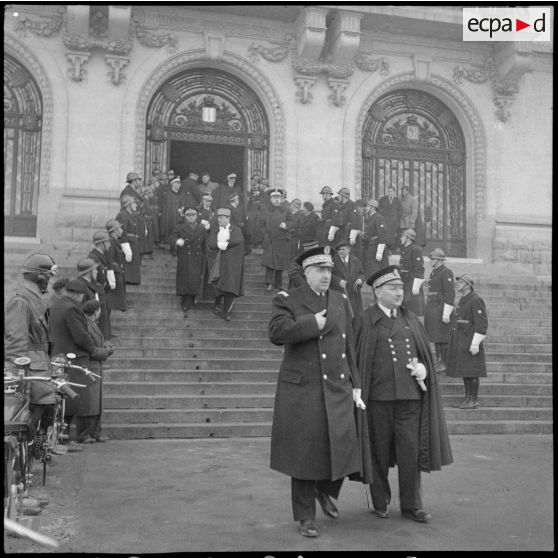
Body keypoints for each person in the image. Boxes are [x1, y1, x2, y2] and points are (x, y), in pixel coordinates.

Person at [268, 245, 366, 538]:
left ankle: (324, 490)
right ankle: (305, 517)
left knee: (343, 442)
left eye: (329, 271)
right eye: (321, 271)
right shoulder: (288, 299)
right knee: (303, 452)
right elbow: (276, 332)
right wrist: (312, 323)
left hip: (337, 384)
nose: (327, 276)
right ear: (307, 273)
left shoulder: (339, 299)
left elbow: (349, 346)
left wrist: (356, 384)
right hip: (303, 388)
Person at [353, 265, 453, 523]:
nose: (399, 293)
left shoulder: (410, 319)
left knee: (410, 452)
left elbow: (423, 354)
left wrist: (423, 368)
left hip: (409, 397)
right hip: (377, 398)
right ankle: (380, 500)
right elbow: (355, 357)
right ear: (377, 291)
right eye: (393, 288)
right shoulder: (364, 319)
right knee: (378, 453)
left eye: (400, 288)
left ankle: (412, 505)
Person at [4, 253, 62, 445]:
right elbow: (15, 344)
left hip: (40, 368)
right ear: (41, 278)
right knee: (25, 425)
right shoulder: (21, 302)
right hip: (30, 373)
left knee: (43, 415)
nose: (52, 283)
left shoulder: (33, 300)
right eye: (50, 277)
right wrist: (19, 374)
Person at [49, 279, 111, 444]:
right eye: (82, 295)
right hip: (73, 358)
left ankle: (64, 438)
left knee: (64, 398)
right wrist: (93, 350)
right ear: (77, 294)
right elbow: (80, 335)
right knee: (74, 398)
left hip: (58, 356)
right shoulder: (72, 308)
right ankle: (67, 439)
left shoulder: (56, 305)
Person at [446, 273, 488, 409]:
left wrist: (475, 343)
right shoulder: (464, 299)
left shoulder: (476, 299)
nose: (457, 284)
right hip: (461, 339)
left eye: (460, 282)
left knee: (472, 371)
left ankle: (473, 400)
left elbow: (481, 323)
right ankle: (467, 399)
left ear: (467, 285)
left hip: (470, 339)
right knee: (466, 370)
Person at [75, 299, 113, 444]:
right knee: (88, 402)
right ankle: (84, 434)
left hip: (96, 366)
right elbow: (90, 348)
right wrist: (106, 352)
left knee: (96, 402)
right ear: (96, 311)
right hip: (90, 367)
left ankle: (95, 432)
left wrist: (105, 350)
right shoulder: (86, 326)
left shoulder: (92, 325)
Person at [206, 207, 245, 321]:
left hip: (232, 264)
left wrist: (226, 245)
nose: (220, 220)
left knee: (230, 287)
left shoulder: (236, 230)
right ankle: (217, 304)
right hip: (219, 263)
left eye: (222, 218)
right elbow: (212, 243)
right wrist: (220, 245)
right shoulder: (215, 230)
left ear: (228, 218)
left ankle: (226, 311)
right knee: (219, 285)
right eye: (218, 217)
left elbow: (238, 241)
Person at [168, 206, 208, 313]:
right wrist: (177, 241)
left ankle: (192, 297)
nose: (191, 217)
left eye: (193, 215)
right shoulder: (180, 227)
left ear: (197, 216)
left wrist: (204, 257)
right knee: (184, 279)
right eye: (188, 215)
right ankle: (185, 300)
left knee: (195, 279)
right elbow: (171, 238)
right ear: (185, 216)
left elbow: (205, 244)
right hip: (185, 257)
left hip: (197, 257)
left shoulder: (202, 228)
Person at [424, 248, 455, 373]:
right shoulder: (434, 272)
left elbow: (449, 294)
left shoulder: (446, 272)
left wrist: (446, 312)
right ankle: (439, 362)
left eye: (432, 259)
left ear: (439, 260)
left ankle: (444, 363)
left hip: (441, 308)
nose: (430, 261)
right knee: (436, 337)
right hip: (433, 309)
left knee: (442, 337)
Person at [261, 189, 291, 291]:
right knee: (270, 263)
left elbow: (292, 222)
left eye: (278, 198)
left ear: (281, 199)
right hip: (270, 239)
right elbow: (260, 224)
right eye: (274, 198)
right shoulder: (266, 210)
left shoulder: (286, 210)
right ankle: (269, 283)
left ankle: (279, 284)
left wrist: (286, 225)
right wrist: (264, 235)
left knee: (279, 263)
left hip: (281, 239)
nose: (277, 200)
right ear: (270, 199)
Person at [88, 231, 113, 339]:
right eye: (107, 242)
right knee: (100, 319)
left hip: (102, 290)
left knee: (104, 318)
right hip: (97, 290)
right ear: (101, 243)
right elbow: (92, 277)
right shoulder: (93, 257)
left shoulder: (101, 256)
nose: (109, 244)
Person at [331, 242, 365, 320]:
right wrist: (338, 281)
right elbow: (330, 275)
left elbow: (361, 273)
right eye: (339, 250)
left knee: (357, 317)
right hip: (340, 293)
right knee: (343, 317)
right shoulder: (333, 261)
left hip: (354, 293)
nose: (340, 251)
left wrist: (360, 280)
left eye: (343, 249)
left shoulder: (355, 260)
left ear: (348, 249)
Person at [116, 195, 141, 285]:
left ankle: (131, 280)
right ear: (128, 204)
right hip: (128, 243)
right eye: (133, 203)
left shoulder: (131, 215)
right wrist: (126, 249)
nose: (136, 205)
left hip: (134, 242)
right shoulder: (122, 215)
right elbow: (122, 233)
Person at [399, 228, 425, 317]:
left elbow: (419, 268)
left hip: (412, 282)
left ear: (408, 238)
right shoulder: (405, 248)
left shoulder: (416, 249)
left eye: (402, 236)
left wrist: (416, 286)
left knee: (412, 310)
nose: (400, 238)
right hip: (404, 281)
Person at [105, 219, 128, 313]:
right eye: (119, 228)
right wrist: (111, 279)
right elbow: (109, 260)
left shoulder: (115, 241)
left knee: (110, 304)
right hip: (113, 274)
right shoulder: (111, 241)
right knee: (108, 303)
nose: (121, 230)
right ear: (114, 230)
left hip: (117, 272)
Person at [361, 199, 389, 277]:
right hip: (370, 248)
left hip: (376, 249)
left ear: (372, 207)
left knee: (376, 273)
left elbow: (382, 235)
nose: (366, 208)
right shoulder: (369, 218)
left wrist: (379, 252)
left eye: (367, 206)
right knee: (370, 272)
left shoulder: (378, 218)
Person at [160, 176, 186, 254]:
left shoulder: (180, 194)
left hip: (180, 216)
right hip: (171, 217)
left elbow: (182, 204)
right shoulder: (168, 195)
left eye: (179, 183)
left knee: (180, 232)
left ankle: (179, 248)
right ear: (172, 184)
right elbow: (166, 208)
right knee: (172, 231)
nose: (179, 185)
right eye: (177, 183)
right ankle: (173, 248)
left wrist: (182, 210)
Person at [378, 186, 402, 252]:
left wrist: (396, 219)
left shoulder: (397, 201)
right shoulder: (383, 199)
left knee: (392, 236)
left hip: (393, 222)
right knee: (385, 235)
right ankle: (385, 250)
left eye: (391, 191)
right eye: (388, 191)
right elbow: (379, 209)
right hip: (385, 221)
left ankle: (390, 250)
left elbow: (400, 211)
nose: (389, 193)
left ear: (394, 192)